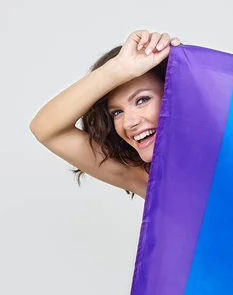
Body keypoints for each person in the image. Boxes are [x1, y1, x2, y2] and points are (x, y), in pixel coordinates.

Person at [30, 30, 181, 199]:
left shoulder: (217, 148)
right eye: (117, 112)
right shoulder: (145, 180)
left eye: (142, 100)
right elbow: (45, 129)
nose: (128, 123)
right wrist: (118, 69)